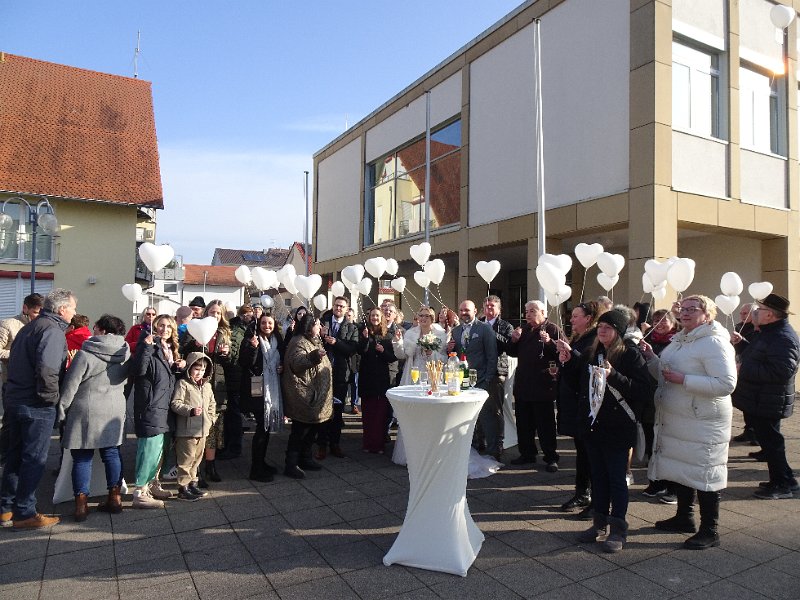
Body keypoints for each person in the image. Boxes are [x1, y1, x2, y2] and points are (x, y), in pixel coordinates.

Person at [639, 295, 737, 550]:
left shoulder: (714, 342)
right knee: (682, 469)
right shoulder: (680, 340)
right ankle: (684, 517)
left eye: (693, 309)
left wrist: (685, 379)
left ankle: (710, 530)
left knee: (706, 473)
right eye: (683, 309)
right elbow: (665, 374)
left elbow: (727, 384)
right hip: (678, 418)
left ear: (708, 314)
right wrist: (652, 358)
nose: (685, 313)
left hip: (703, 420)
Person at [557, 308, 650, 553]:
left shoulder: (631, 355)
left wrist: (614, 376)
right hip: (593, 426)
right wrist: (567, 364)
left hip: (618, 428)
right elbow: (578, 385)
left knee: (617, 480)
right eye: (600, 327)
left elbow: (644, 390)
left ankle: (618, 529)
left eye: (608, 328)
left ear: (618, 332)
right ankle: (598, 523)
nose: (602, 331)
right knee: (597, 478)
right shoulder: (592, 352)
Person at [0, 288, 76, 529]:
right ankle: (25, 512)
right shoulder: (51, 331)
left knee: (15, 456)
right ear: (62, 309)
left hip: (16, 400)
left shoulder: (30, 327)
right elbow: (47, 370)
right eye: (73, 308)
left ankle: (6, 508)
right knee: (33, 459)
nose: (74, 313)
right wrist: (50, 399)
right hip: (35, 404)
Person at [59, 314, 131, 521]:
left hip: (86, 408)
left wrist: (62, 410)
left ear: (101, 330)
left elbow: (71, 386)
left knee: (82, 457)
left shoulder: (85, 353)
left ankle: (81, 505)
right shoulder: (125, 353)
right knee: (111, 454)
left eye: (96, 328)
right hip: (115, 408)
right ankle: (115, 498)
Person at [732, 293, 799, 499]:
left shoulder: (782, 337)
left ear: (770, 315)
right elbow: (759, 354)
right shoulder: (770, 332)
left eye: (758, 310)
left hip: (769, 398)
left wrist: (743, 368)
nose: (754, 313)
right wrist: (742, 344)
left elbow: (781, 370)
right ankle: (784, 478)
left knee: (772, 442)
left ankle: (782, 485)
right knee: (770, 441)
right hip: (762, 397)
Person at [132, 315, 185, 509]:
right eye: (161, 325)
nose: (165, 329)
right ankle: (140, 491)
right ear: (154, 327)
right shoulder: (148, 346)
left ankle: (153, 484)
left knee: (161, 450)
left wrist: (179, 367)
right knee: (149, 450)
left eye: (169, 326)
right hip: (151, 406)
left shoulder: (170, 350)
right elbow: (138, 370)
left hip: (166, 407)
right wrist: (146, 347)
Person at [180, 299, 231, 485]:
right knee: (195, 430)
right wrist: (195, 343)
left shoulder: (224, 334)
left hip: (216, 388)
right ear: (206, 313)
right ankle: (195, 471)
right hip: (195, 388)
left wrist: (226, 355)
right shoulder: (193, 330)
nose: (215, 316)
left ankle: (211, 466)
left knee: (214, 431)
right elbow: (183, 353)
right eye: (212, 312)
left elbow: (232, 364)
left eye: (219, 313)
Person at [506, 300, 562, 471]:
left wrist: (549, 343)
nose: (527, 315)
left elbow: (563, 352)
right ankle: (527, 453)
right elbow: (511, 352)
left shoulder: (552, 329)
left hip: (543, 386)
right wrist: (514, 340)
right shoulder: (524, 331)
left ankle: (551, 457)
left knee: (545, 424)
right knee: (524, 423)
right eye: (526, 311)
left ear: (543, 312)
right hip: (524, 384)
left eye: (532, 311)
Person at [557, 301, 601, 516]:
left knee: (589, 453)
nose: (571, 320)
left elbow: (590, 369)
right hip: (575, 404)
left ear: (588, 318)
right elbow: (575, 372)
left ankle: (591, 496)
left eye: (576, 316)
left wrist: (571, 355)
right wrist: (564, 361)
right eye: (571, 316)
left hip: (586, 405)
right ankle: (583, 492)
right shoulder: (579, 338)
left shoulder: (593, 340)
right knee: (582, 452)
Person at [283, 313, 333, 479]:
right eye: (317, 324)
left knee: (312, 429)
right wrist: (313, 357)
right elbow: (297, 364)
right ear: (309, 326)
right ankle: (291, 464)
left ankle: (305, 458)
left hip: (316, 394)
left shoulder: (314, 340)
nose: (320, 327)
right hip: (304, 394)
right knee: (300, 431)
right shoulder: (298, 342)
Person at [238, 312, 285, 482]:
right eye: (264, 323)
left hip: (272, 390)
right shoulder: (252, 338)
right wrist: (252, 347)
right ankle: (255, 469)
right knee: (261, 429)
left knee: (265, 430)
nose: (266, 326)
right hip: (257, 392)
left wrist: (281, 367)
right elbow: (244, 362)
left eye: (270, 323)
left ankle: (261, 462)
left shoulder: (277, 341)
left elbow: (282, 359)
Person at [640, 309, 678, 500]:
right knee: (651, 443)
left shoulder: (677, 342)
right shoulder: (648, 340)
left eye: (664, 320)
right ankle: (656, 482)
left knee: (668, 444)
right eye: (656, 320)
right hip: (648, 398)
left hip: (668, 396)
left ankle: (672, 486)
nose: (660, 323)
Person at [170, 352, 216, 501]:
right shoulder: (183, 384)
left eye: (203, 370)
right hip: (186, 430)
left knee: (197, 459)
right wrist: (189, 411)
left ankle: (192, 483)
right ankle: (183, 487)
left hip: (202, 430)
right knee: (186, 460)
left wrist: (210, 419)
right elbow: (175, 403)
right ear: (189, 368)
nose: (199, 373)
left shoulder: (207, 386)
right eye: (196, 369)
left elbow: (212, 404)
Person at [317, 296, 358, 459]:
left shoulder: (351, 327)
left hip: (341, 373)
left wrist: (336, 342)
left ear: (347, 309)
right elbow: (312, 342)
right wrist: (320, 336)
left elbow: (352, 348)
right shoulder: (323, 322)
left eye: (342, 306)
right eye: (336, 305)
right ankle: (321, 445)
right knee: (322, 410)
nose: (339, 308)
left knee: (338, 411)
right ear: (333, 307)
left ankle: (335, 444)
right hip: (322, 373)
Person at [478, 295, 514, 460]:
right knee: (478, 409)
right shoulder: (477, 322)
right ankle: (480, 442)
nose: (489, 308)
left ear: (499, 310)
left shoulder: (505, 326)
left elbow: (508, 345)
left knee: (494, 410)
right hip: (477, 371)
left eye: (492, 306)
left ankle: (497, 446)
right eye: (486, 306)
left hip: (497, 372)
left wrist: (490, 332)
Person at [357, 308, 397, 454]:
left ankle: (378, 445)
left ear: (382, 318)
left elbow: (393, 357)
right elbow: (360, 351)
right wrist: (366, 339)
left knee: (380, 414)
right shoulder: (364, 331)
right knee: (368, 413)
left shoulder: (388, 335)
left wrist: (383, 352)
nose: (374, 318)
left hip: (381, 378)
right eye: (372, 315)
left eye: (377, 316)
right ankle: (367, 443)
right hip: (367, 377)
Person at [218, 305, 255, 460]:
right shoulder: (235, 329)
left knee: (233, 414)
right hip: (230, 376)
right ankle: (228, 445)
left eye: (250, 313)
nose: (248, 316)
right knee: (230, 414)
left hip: (235, 377)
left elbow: (235, 357)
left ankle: (233, 447)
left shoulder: (244, 330)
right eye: (245, 313)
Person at [730, 303, 759, 446]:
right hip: (739, 368)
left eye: (746, 313)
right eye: (741, 313)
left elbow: (754, 349)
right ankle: (748, 430)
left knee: (754, 406)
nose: (742, 315)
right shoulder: (738, 326)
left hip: (751, 370)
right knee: (744, 403)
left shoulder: (757, 328)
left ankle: (755, 434)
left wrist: (742, 341)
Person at [0, 293, 44, 384]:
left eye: (41, 313)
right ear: (25, 308)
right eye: (35, 312)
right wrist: (20, 354)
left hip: (35, 382)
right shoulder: (8, 324)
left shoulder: (44, 327)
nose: (39, 316)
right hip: (12, 382)